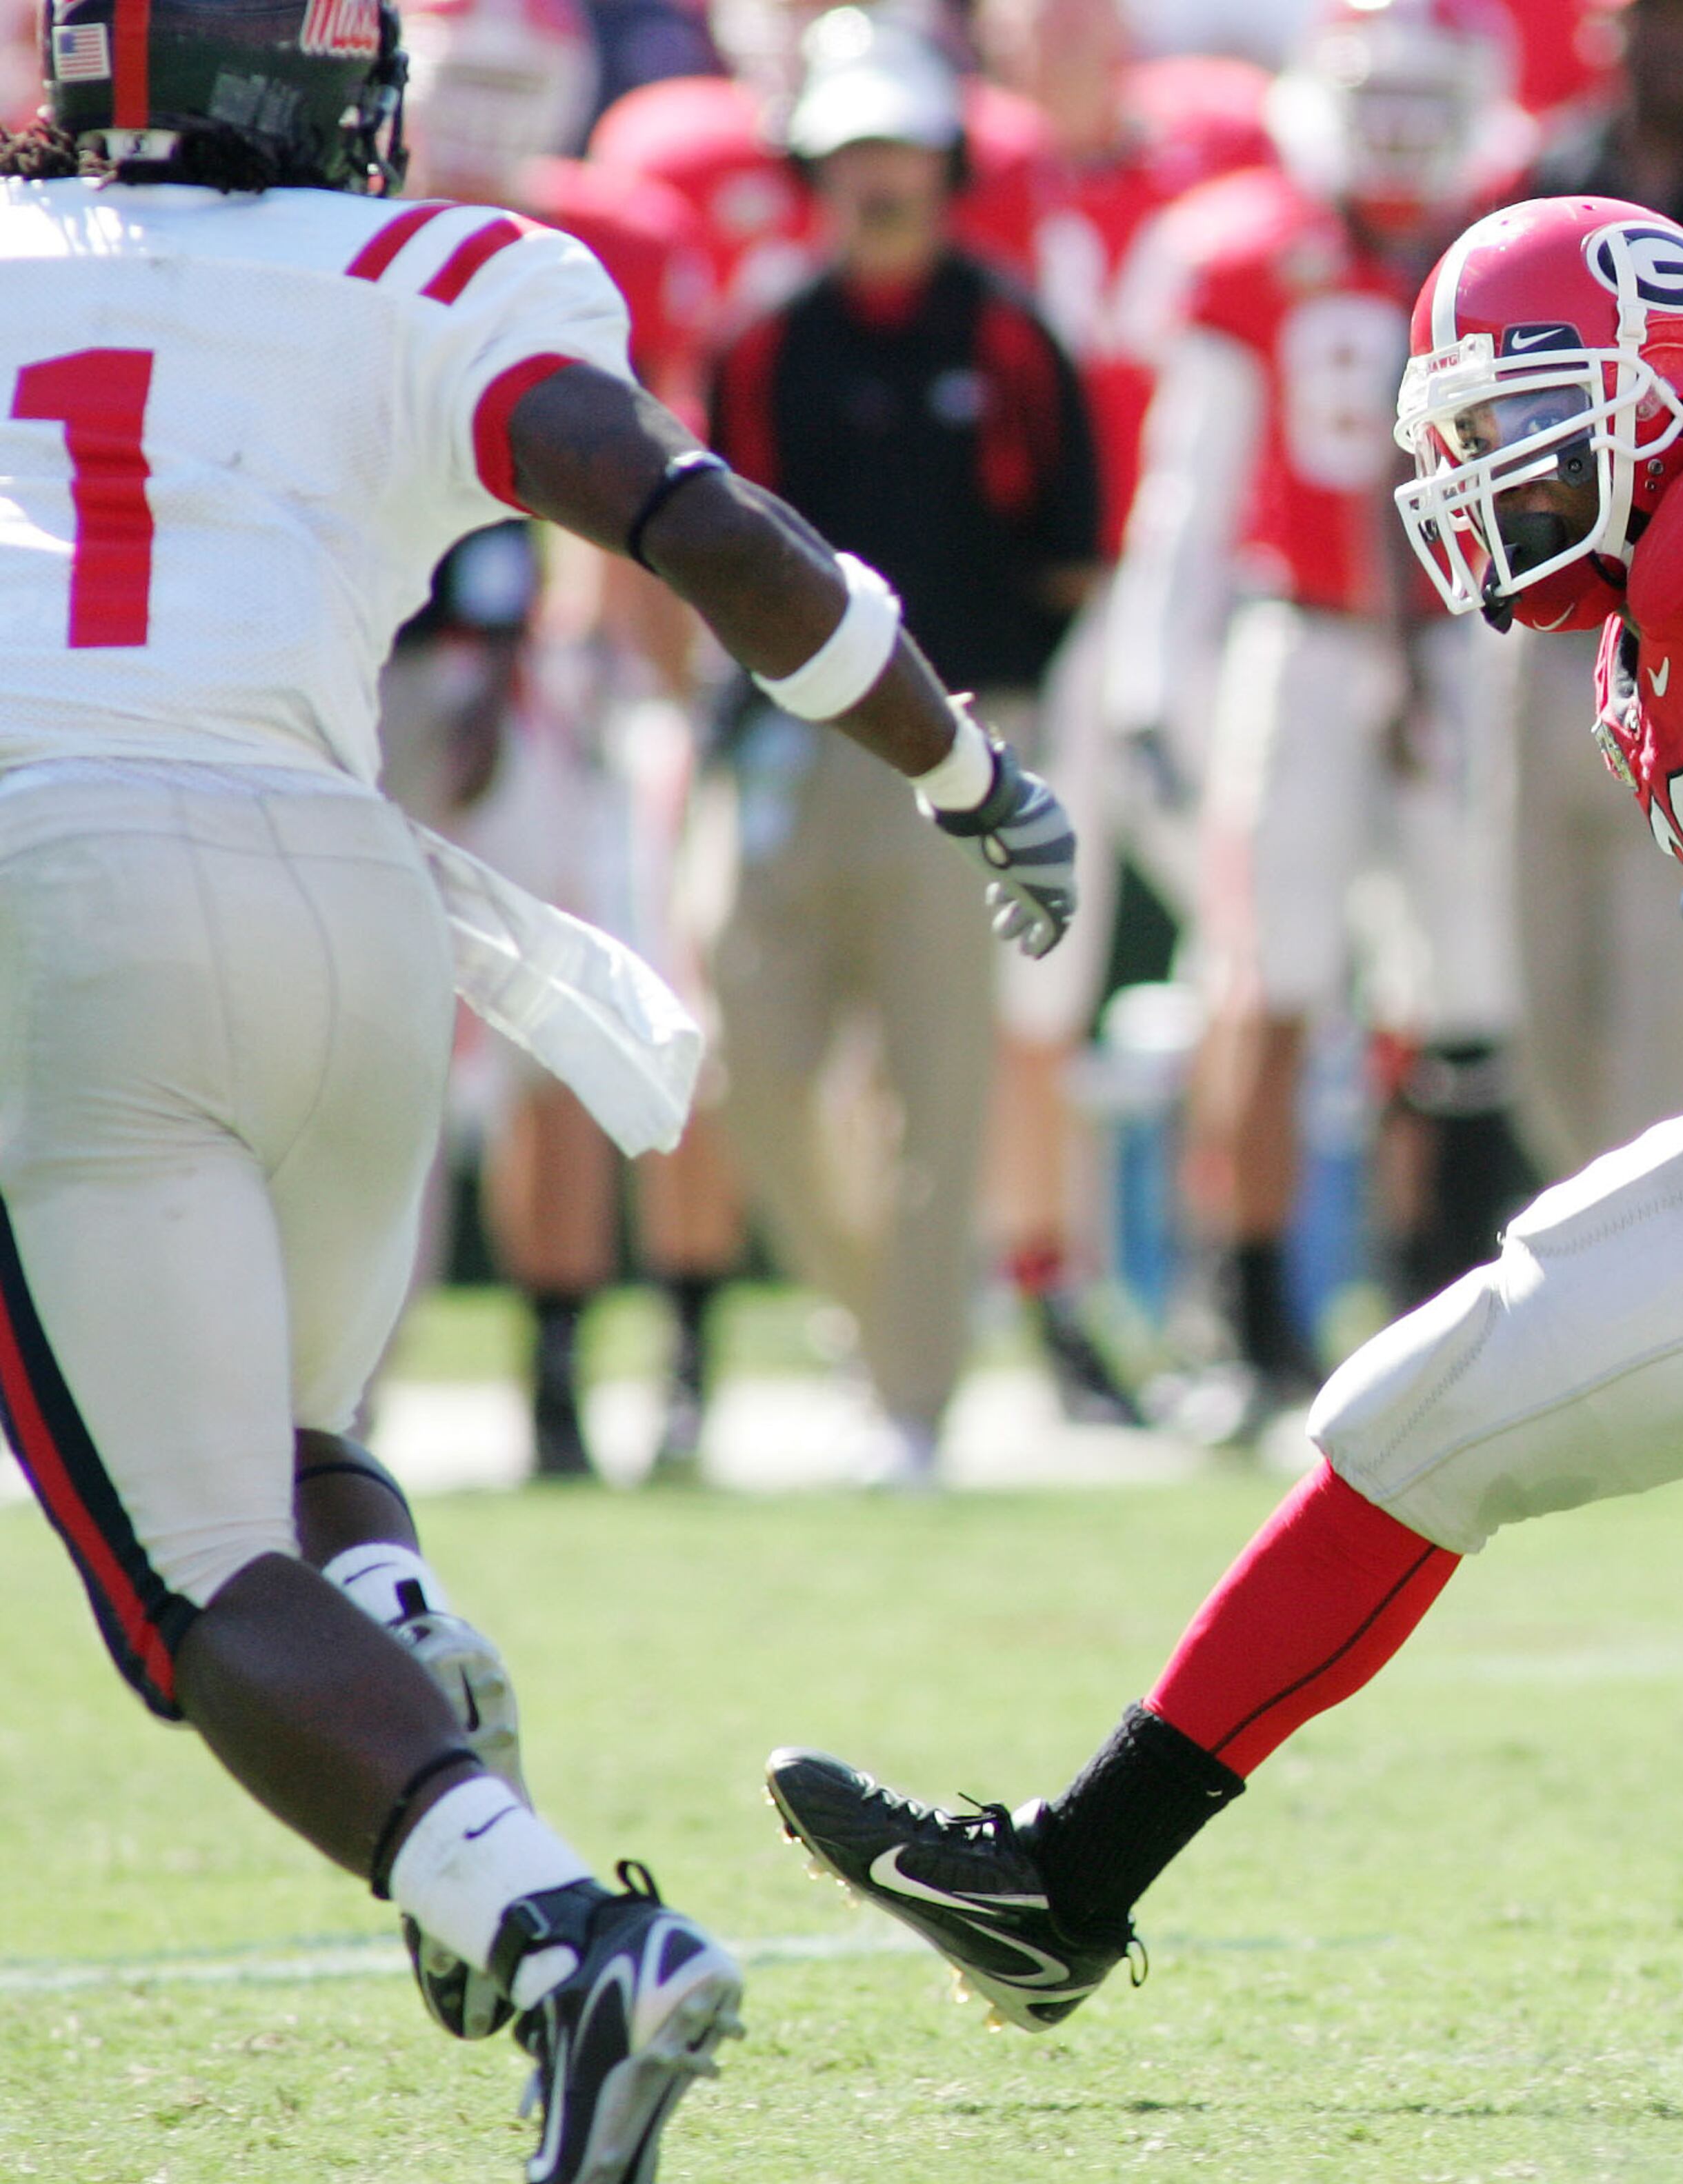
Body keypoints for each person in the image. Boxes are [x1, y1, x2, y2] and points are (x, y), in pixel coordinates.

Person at [765, 194, 1683, 2027]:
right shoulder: (1637, 634)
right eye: (1460, 433)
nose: (1482, 468)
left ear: (1653, 384)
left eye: (1517, 410)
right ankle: (1067, 1881)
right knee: (1420, 1403)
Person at [0, 0, 1073, 2167]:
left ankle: (564, 1929)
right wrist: (966, 767)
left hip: (64, 892)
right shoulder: (452, 271)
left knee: (190, 1574)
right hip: (354, 903)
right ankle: (405, 1623)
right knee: (291, 1458)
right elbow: (705, 529)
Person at [1101, 0, 1535, 1414]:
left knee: (1465, 981)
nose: (1402, 138)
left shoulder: (1500, 252)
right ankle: (1248, 1314)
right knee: (1268, 979)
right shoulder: (1253, 253)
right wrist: (1152, 664)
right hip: (1298, 639)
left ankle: (1446, 1294)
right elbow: (1192, 487)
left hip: (1467, 637)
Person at [707, 8, 1103, 1483]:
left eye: (898, 150)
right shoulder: (765, 343)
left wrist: (1004, 724)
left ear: (944, 164)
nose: (875, 178)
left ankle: (916, 1397)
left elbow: (1072, 548)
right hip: (789, 749)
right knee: (757, 1066)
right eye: (848, 151)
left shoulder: (1008, 334)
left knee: (942, 1077)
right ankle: (878, 1322)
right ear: (813, 165)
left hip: (964, 735)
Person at [397, 0, 748, 1482]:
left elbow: (654, 466)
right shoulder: (348, 223)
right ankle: (346, 1385)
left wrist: (639, 668)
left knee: (569, 1014)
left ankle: (560, 1375)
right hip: (375, 667)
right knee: (371, 1033)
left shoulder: (608, 239)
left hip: (551, 667)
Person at [965, 0, 1273, 1423]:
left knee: (1251, 940)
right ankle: (1044, 1282)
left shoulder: (1214, 150)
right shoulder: (967, 158)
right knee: (1026, 962)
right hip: (1029, 601)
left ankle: (1227, 1277)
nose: (1072, 35)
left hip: (1192, 594)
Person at [1509, 0, 1683, 1180]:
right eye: (1648, 15)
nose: (1666, 40)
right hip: (1549, 614)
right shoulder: (1541, 184)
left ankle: (1661, 1230)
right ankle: (1586, 1213)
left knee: (1680, 970)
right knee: (1541, 979)